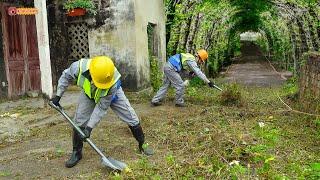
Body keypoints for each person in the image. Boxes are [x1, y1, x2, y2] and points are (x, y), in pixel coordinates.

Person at [50, 56, 154, 168]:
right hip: (88, 94)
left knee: (131, 116)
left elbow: (101, 108)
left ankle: (142, 143)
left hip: (111, 94)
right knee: (79, 121)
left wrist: (89, 128)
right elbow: (65, 76)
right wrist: (58, 95)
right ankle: (77, 152)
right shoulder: (78, 67)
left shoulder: (111, 81)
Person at [151, 49, 216, 107]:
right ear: (199, 57)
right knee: (180, 85)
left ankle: (155, 100)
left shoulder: (189, 56)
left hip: (168, 66)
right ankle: (179, 102)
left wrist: (189, 74)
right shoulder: (192, 60)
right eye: (201, 61)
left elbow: (182, 70)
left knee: (165, 85)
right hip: (171, 69)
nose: (200, 63)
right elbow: (198, 72)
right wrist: (208, 82)